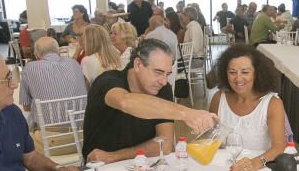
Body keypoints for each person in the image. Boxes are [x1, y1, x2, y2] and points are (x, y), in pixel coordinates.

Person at [82, 39, 217, 163]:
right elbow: (126, 102)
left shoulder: (162, 89)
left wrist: (115, 156)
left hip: (142, 166)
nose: (164, 81)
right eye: (158, 72)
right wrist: (186, 113)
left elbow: (164, 145)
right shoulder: (108, 81)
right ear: (138, 64)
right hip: (99, 169)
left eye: (167, 74)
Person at [209, 46, 286, 171]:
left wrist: (255, 163)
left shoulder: (272, 103)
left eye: (245, 72)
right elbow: (211, 138)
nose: (238, 79)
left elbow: (279, 146)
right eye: (232, 72)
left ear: (256, 73)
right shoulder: (218, 98)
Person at [19, 37, 87, 114]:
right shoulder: (74, 63)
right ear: (58, 51)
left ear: (36, 55)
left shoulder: (28, 68)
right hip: (81, 122)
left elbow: (26, 107)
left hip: (48, 125)